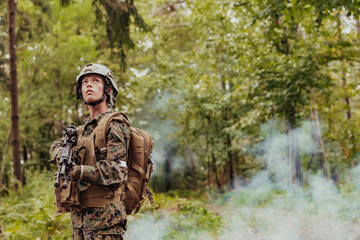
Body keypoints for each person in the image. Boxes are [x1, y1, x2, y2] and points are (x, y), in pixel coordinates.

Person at [50, 63, 130, 239]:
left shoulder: (115, 124)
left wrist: (79, 171)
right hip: (79, 223)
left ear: (108, 88)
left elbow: (118, 172)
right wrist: (60, 155)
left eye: (95, 80)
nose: (88, 85)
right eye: (84, 82)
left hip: (106, 224)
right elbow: (56, 146)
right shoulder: (79, 131)